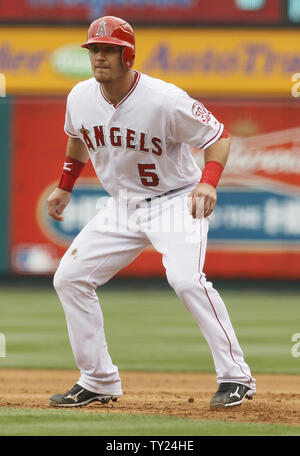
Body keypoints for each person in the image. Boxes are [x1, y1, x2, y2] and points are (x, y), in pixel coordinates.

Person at [47, 16, 256, 409]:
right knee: (70, 278)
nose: (100, 57)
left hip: (175, 200)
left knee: (185, 279)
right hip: (122, 206)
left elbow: (219, 137)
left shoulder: (165, 99)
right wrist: (64, 185)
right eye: (94, 49)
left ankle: (236, 377)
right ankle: (98, 380)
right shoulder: (79, 96)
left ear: (128, 54)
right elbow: (77, 139)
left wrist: (208, 181)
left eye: (108, 49)